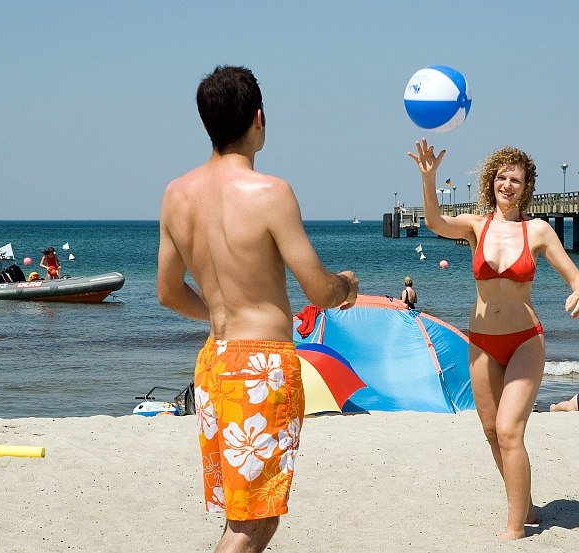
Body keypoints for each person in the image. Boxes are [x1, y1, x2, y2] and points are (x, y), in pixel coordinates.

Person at [157, 65, 359, 553]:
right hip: (262, 366)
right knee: (256, 523)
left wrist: (220, 316)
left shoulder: (176, 195)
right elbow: (319, 292)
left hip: (213, 361)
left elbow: (168, 292)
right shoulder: (271, 193)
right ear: (259, 119)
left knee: (239, 514)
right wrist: (346, 285)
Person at [408, 139, 579, 540]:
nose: (508, 185)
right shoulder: (476, 226)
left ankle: (515, 527)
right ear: (492, 182)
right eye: (503, 178)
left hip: (525, 340)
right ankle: (525, 505)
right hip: (482, 344)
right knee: (491, 432)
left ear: (527, 188)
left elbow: (577, 277)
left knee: (509, 430)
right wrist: (429, 178)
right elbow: (436, 223)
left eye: (517, 180)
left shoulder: (537, 230)